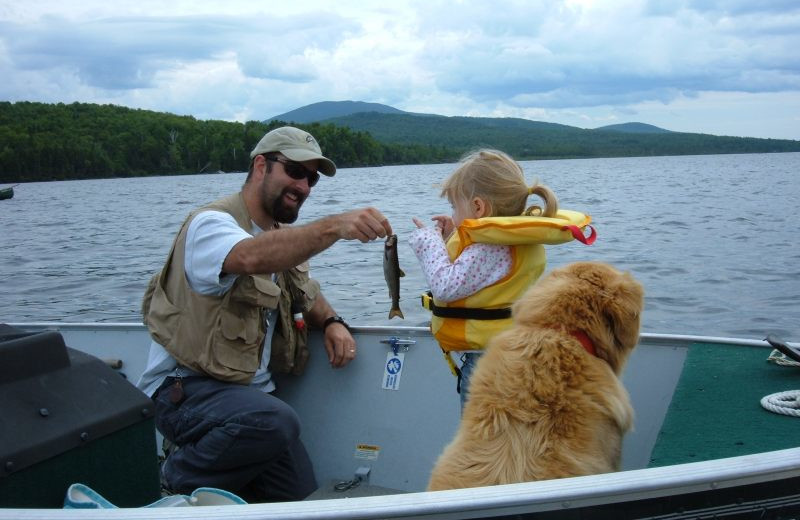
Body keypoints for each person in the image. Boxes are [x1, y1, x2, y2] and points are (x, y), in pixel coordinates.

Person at [136, 126, 393, 503]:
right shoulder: (211, 225)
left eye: (311, 178)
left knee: (304, 505)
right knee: (276, 421)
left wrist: (334, 322)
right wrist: (336, 225)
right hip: (185, 392)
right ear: (261, 165)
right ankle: (172, 480)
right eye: (294, 170)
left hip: (252, 402)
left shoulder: (279, 238)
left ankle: (215, 488)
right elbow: (249, 256)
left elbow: (306, 292)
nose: (303, 186)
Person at [409, 149, 593, 409]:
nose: (452, 214)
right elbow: (475, 275)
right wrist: (451, 238)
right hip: (513, 358)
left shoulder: (489, 248)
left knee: (483, 443)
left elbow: (445, 287)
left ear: (478, 206)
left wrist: (429, 243)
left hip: (489, 368)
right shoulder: (510, 241)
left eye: (455, 206)